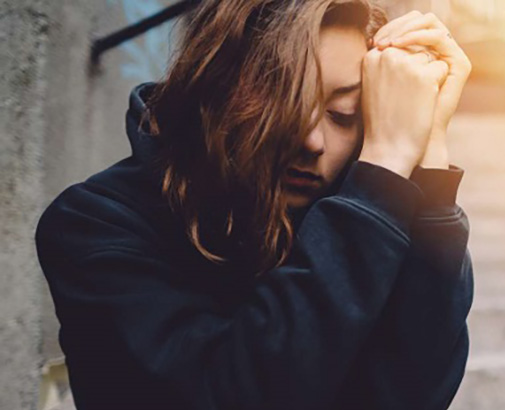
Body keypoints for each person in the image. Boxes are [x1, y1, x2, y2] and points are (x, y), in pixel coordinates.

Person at [35, 0, 473, 409]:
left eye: (344, 114)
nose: (312, 140)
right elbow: (234, 392)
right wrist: (383, 172)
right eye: (283, 104)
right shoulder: (93, 224)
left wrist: (427, 159)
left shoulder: (362, 218)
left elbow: (413, 392)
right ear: (211, 89)